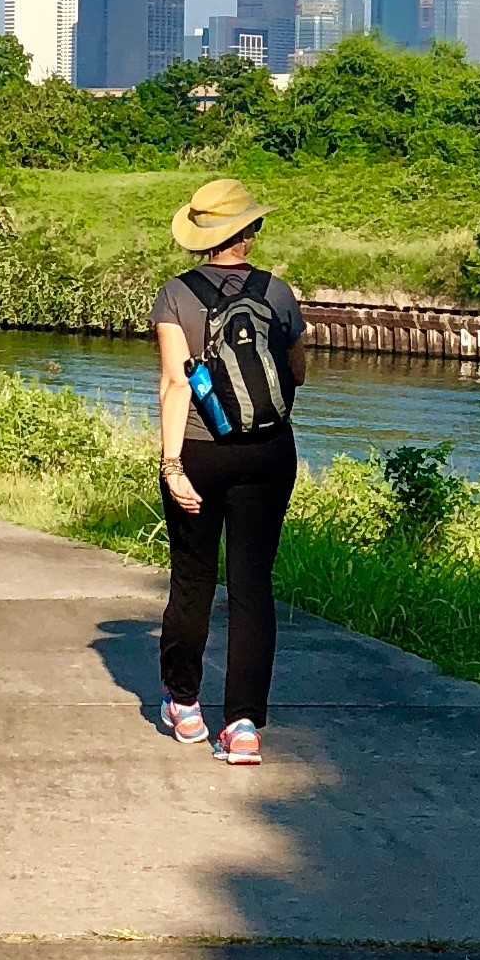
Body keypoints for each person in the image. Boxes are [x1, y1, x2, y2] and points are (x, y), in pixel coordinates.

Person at [148, 178, 307, 766]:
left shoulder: (175, 295)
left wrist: (172, 465)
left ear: (199, 240)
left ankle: (184, 707)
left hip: (199, 452)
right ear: (250, 231)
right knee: (252, 590)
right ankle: (242, 728)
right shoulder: (279, 293)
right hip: (268, 452)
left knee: (192, 580)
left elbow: (172, 384)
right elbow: (298, 373)